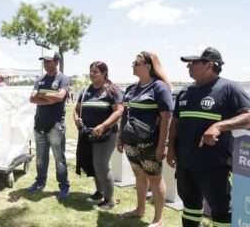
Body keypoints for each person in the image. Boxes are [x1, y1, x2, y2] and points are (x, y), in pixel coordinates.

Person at [167, 47, 250, 227]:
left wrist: (219, 125)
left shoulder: (229, 88)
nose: (188, 66)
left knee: (221, 210)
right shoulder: (184, 91)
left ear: (210, 65)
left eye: (193, 62)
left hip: (214, 166)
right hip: (185, 163)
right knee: (190, 207)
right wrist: (170, 149)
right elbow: (175, 123)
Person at [117, 51, 173, 227]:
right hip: (131, 142)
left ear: (147, 66)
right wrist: (121, 137)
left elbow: (166, 118)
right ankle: (139, 210)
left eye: (136, 62)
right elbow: (125, 114)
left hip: (151, 143)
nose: (132, 65)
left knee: (155, 179)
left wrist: (163, 145)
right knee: (139, 174)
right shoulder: (131, 89)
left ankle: (158, 220)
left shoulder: (159, 87)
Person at [73, 61, 124, 210]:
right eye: (91, 71)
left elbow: (119, 111)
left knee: (101, 165)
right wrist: (76, 119)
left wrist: (103, 126)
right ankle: (99, 192)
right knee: (92, 165)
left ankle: (109, 200)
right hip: (88, 134)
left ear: (104, 73)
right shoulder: (86, 90)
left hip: (106, 135)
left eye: (96, 71)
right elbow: (77, 109)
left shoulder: (112, 91)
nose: (92, 74)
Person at [27, 50, 70, 200]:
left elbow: (60, 96)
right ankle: (40, 182)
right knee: (40, 158)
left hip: (56, 125)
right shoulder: (39, 80)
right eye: (44, 61)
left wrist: (42, 95)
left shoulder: (63, 79)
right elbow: (31, 99)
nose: (46, 64)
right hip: (39, 124)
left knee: (59, 159)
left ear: (57, 62)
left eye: (49, 61)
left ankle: (64, 186)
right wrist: (50, 99)